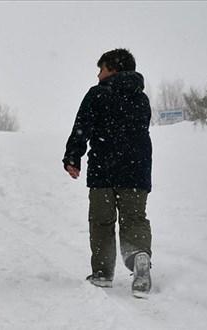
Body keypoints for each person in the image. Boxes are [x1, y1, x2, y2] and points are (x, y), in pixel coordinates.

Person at [63, 48, 153, 298]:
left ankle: (102, 273)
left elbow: (82, 127)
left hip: (104, 169)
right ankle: (139, 257)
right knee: (134, 218)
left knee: (102, 222)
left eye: (101, 69)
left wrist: (73, 157)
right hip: (137, 170)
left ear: (113, 68)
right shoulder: (141, 98)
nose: (98, 75)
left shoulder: (98, 94)